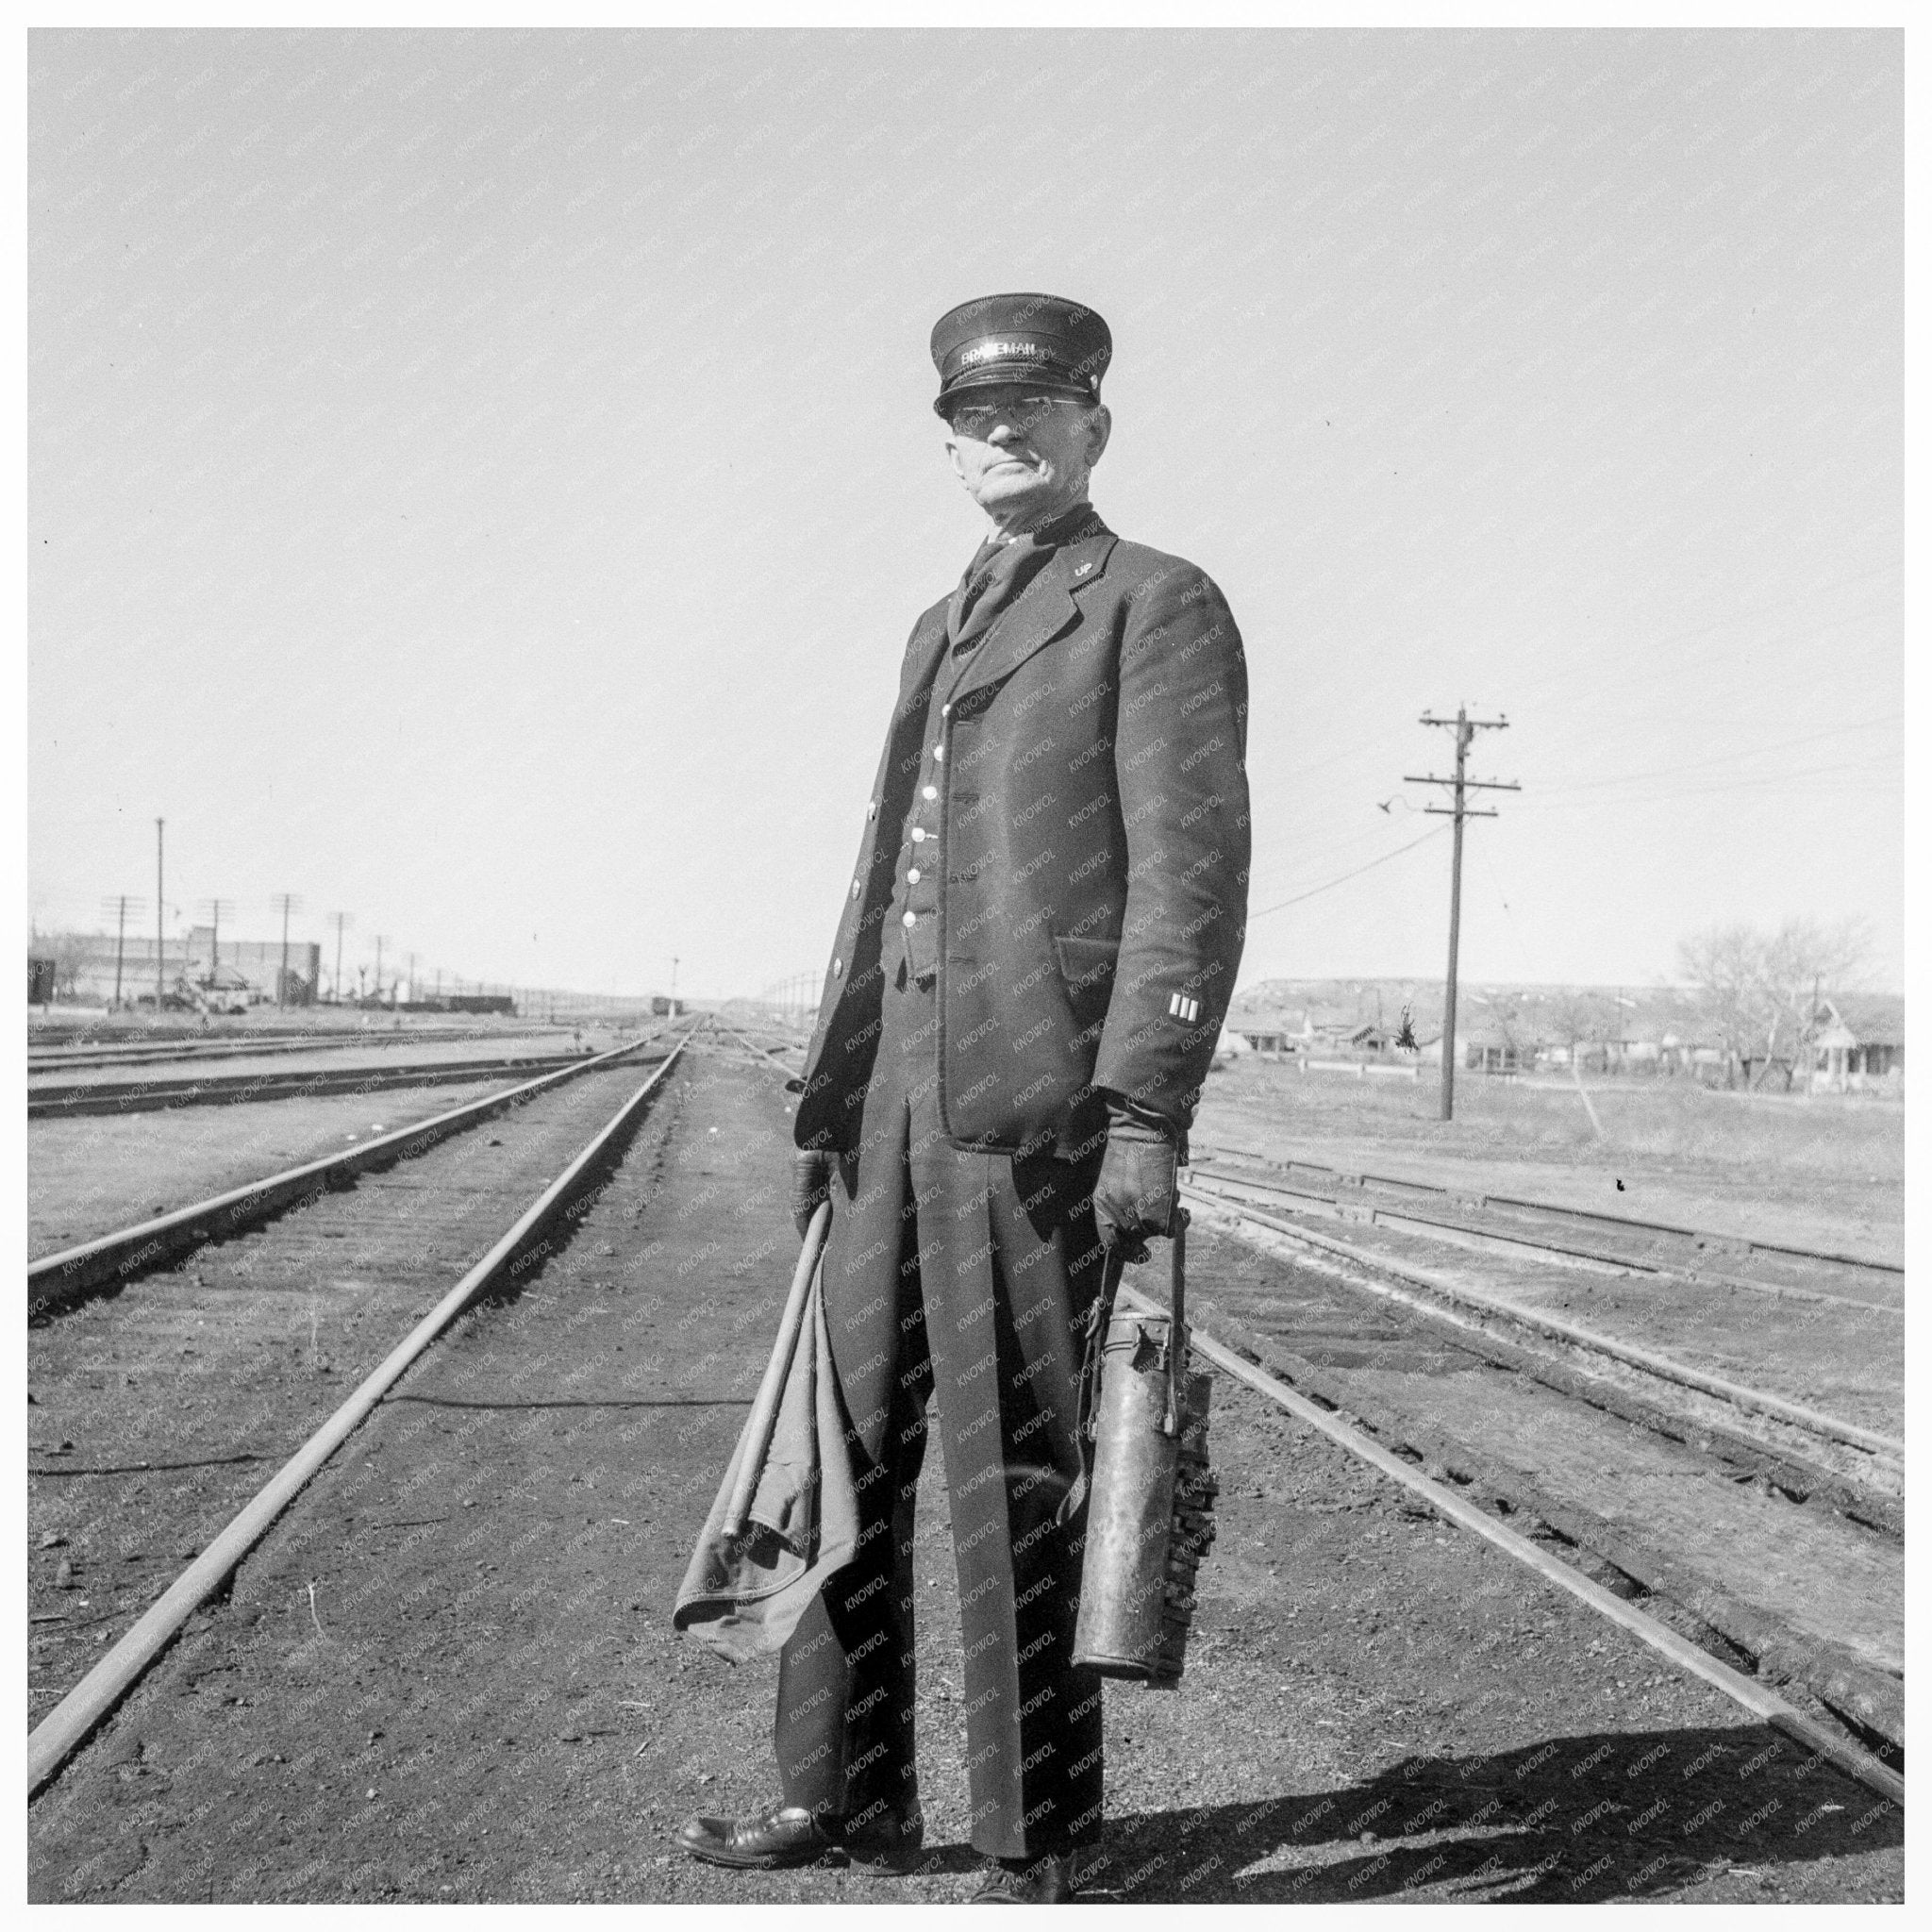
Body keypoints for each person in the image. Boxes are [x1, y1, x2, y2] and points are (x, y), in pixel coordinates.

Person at [675, 292, 1250, 1903]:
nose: (1007, 439)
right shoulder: (938, 624)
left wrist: (1143, 1108)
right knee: (838, 1462)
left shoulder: (1154, 604)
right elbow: (884, 883)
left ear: (1095, 429)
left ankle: (1030, 1839)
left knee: (1016, 1479)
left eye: (1040, 413)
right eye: (978, 424)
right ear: (946, 446)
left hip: (1034, 1120)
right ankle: (841, 1796)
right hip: (883, 1123)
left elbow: (1190, 884)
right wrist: (830, 1096)